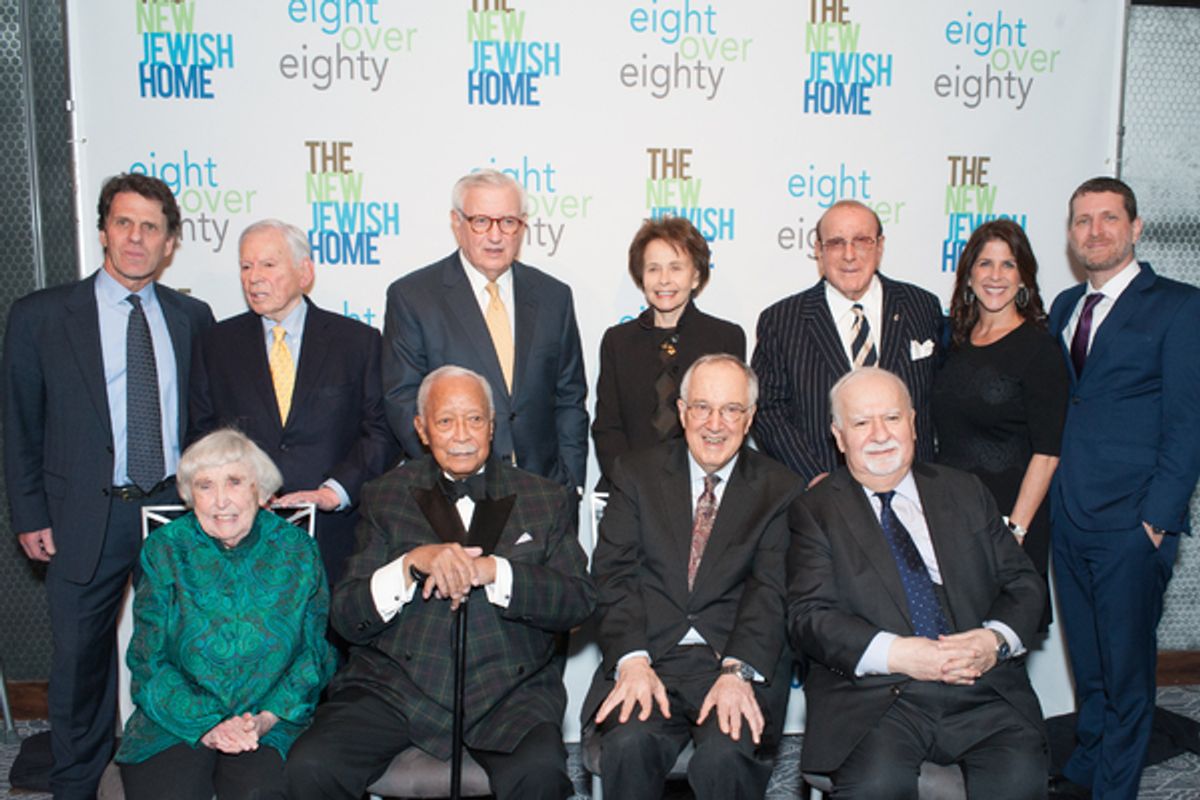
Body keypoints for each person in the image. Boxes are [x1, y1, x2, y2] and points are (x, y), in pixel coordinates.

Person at [285, 365, 596, 800]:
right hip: (393, 690)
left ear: (493, 424)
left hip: (509, 693)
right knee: (311, 766)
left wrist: (497, 572)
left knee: (541, 774)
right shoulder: (385, 495)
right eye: (445, 421)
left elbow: (578, 601)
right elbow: (346, 615)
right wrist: (409, 565)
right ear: (422, 430)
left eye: (474, 419)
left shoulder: (545, 497)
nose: (462, 434)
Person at [2, 173, 214, 798]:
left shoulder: (192, 317)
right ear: (102, 231)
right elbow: (19, 425)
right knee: (79, 666)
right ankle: (76, 785)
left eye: (151, 227)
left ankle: (166, 778)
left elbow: (202, 422)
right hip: (79, 517)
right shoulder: (40, 317)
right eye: (124, 223)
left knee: (176, 656)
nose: (136, 238)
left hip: (174, 515)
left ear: (170, 243)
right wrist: (29, 513)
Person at [788, 367, 1048, 799]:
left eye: (891, 418)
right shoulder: (815, 511)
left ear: (912, 422)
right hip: (877, 699)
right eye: (860, 422)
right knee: (877, 788)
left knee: (1018, 781)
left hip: (979, 686)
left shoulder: (965, 490)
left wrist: (993, 641)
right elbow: (809, 616)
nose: (879, 434)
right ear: (838, 435)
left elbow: (1023, 583)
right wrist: (899, 654)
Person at [584, 354, 803, 800]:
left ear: (750, 417)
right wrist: (632, 660)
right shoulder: (635, 473)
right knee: (629, 744)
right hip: (649, 657)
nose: (715, 424)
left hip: (732, 661)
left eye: (731, 410)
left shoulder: (781, 488)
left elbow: (771, 591)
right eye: (702, 407)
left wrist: (738, 671)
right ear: (681, 411)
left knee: (726, 756)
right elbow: (613, 573)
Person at [1047, 177, 1200, 799]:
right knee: (1087, 659)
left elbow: (1189, 420)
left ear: (1135, 228)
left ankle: (1116, 788)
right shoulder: (1063, 307)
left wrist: (1158, 519)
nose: (1095, 232)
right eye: (1083, 221)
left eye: (1109, 219)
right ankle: (1087, 763)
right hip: (1069, 515)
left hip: (1133, 523)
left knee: (1128, 669)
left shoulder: (1180, 306)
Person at [115, 429, 336, 800]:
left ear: (260, 490)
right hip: (176, 718)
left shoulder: (298, 550)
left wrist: (265, 720)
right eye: (204, 486)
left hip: (270, 718)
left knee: (261, 793)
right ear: (189, 496)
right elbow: (147, 659)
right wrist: (209, 726)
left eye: (234, 482)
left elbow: (314, 655)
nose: (220, 501)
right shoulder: (165, 549)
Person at [189, 219, 398, 585]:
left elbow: (380, 431)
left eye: (268, 265)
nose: (254, 278)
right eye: (246, 266)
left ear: (304, 272)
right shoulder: (216, 345)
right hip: (243, 537)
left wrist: (334, 492)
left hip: (335, 536)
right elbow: (201, 435)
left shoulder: (357, 342)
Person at [381, 169, 588, 492]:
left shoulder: (553, 297)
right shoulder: (414, 297)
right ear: (457, 222)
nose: (495, 236)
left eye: (508, 222)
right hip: (454, 492)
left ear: (522, 225)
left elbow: (570, 398)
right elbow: (403, 401)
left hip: (544, 493)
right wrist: (450, 475)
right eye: (481, 221)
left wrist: (570, 481)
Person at [933, 219, 1067, 631]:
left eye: (1008, 265)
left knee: (997, 645)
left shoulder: (1039, 349)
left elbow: (1047, 453)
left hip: (1008, 521)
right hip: (950, 516)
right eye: (985, 263)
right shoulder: (953, 340)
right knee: (952, 641)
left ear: (1023, 277)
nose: (995, 276)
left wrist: (1017, 528)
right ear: (969, 275)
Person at [752, 199, 942, 486]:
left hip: (914, 488)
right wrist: (815, 477)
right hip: (822, 495)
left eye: (862, 241)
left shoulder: (922, 307)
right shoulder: (781, 321)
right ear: (818, 250)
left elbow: (939, 399)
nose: (849, 255)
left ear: (880, 246)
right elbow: (768, 411)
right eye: (836, 243)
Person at [592, 217, 745, 490]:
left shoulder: (725, 337)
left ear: (696, 275)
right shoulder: (618, 341)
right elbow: (608, 428)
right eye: (653, 269)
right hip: (630, 491)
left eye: (676, 268)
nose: (664, 280)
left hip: (703, 491)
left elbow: (730, 423)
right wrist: (632, 486)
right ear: (641, 276)